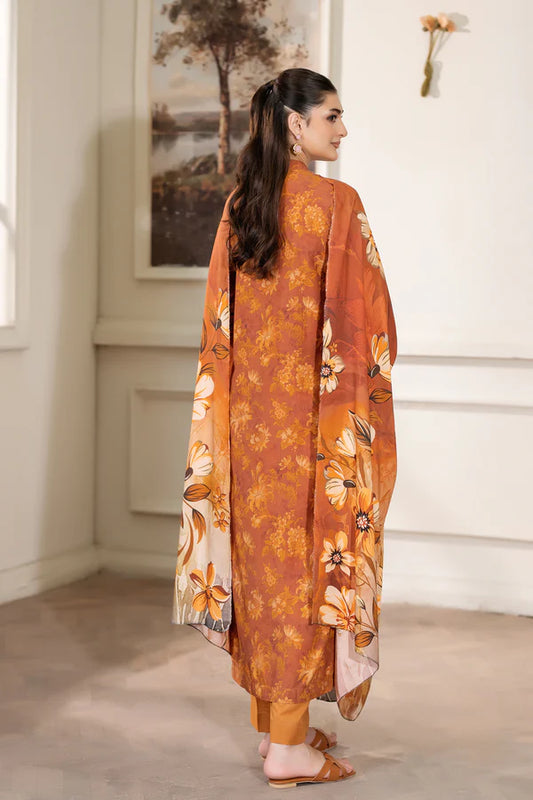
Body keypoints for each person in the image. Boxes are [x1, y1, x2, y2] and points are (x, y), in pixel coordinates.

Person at [172, 68, 397, 788]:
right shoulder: (336, 202)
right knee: (304, 578)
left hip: (246, 424)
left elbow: (219, 322)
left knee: (263, 573)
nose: (342, 129)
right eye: (332, 116)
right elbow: (367, 324)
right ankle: (290, 751)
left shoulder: (242, 203)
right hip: (313, 432)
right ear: (296, 125)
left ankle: (279, 729)